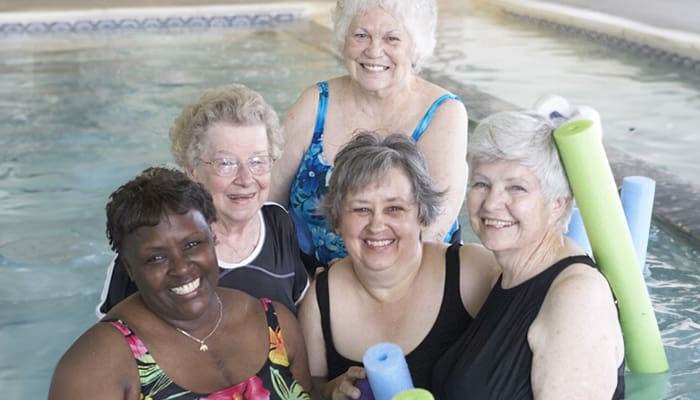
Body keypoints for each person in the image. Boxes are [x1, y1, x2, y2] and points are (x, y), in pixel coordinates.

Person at [49, 167, 312, 399]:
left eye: (192, 244)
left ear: (212, 238)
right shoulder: (96, 366)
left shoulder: (275, 324)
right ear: (128, 268)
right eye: (156, 258)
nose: (182, 267)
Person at [432, 111, 625, 399]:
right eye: (482, 184)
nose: (492, 203)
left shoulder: (578, 296)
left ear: (558, 204)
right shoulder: (505, 275)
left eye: (517, 188)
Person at [297, 132, 499, 398]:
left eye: (394, 209)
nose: (377, 225)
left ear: (422, 215)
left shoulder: (472, 272)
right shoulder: (319, 300)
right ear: (337, 220)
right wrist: (330, 391)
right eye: (361, 209)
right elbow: (308, 390)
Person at [270, 0, 469, 267]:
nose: (374, 51)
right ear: (344, 38)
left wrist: (352, 289)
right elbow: (267, 202)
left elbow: (432, 231)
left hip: (407, 282)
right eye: (361, 36)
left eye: (392, 38)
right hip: (306, 279)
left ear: (415, 46)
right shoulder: (316, 102)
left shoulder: (445, 113)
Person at [97, 84, 310, 317]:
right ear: (192, 170)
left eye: (258, 161)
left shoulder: (278, 223)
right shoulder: (153, 245)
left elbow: (300, 313)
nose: (246, 179)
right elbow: (115, 340)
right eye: (226, 163)